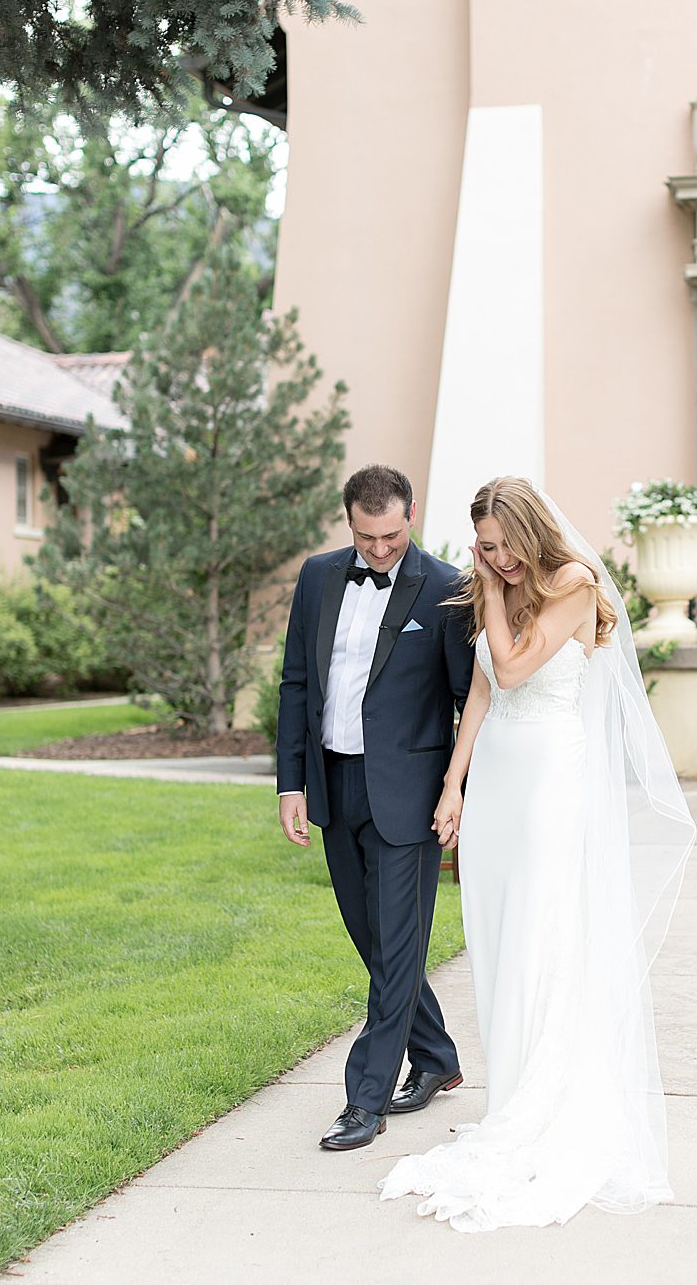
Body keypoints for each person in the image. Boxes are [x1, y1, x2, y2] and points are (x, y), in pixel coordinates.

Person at [380, 476, 697, 1231]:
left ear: (529, 532)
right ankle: (512, 1095)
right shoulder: (499, 586)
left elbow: (517, 665)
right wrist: (454, 784)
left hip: (551, 773)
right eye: (485, 549)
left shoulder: (575, 582)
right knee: (496, 934)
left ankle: (545, 1100)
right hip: (498, 774)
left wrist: (491, 591)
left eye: (502, 546)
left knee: (540, 930)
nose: (495, 560)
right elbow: (484, 691)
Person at [276, 464, 473, 1152]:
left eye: (391, 535)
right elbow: (296, 681)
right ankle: (437, 1055)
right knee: (375, 940)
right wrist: (291, 782)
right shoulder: (317, 576)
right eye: (367, 537)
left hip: (411, 795)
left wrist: (457, 790)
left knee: (395, 948)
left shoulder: (447, 586)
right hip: (335, 783)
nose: (380, 549)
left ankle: (364, 1100)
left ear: (410, 515)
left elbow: (468, 699)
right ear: (349, 521)